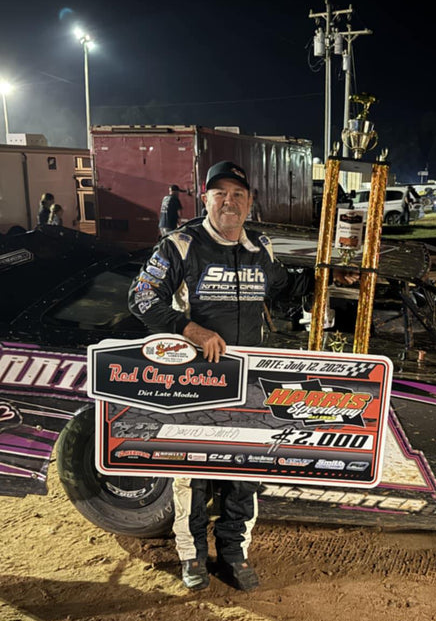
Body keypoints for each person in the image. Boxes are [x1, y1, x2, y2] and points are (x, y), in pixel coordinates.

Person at [128, 161, 340, 592]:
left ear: (249, 202)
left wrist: (330, 279)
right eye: (219, 193)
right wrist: (189, 329)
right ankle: (191, 556)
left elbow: (284, 292)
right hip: (193, 382)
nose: (229, 201)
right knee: (193, 472)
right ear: (204, 198)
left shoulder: (260, 247)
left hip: (250, 381)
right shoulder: (180, 245)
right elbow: (141, 297)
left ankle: (233, 552)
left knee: (246, 470)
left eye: (238, 194)